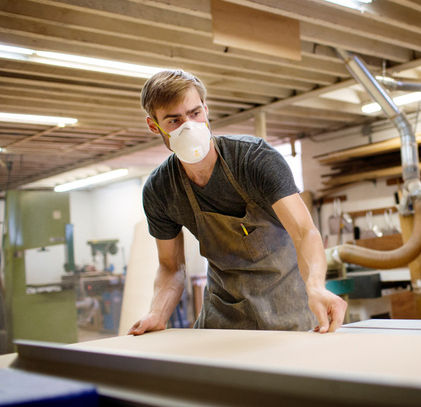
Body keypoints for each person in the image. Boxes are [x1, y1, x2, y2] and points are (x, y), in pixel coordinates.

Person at [128, 69, 346, 335]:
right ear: (154, 126)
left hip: (288, 313)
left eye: (195, 114)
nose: (189, 126)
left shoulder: (254, 160)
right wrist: (157, 313)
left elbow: (304, 232)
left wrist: (316, 287)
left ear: (206, 110)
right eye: (174, 120)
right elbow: (171, 267)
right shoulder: (160, 189)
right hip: (222, 322)